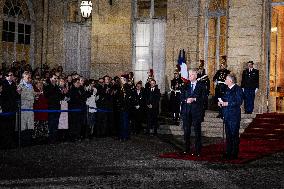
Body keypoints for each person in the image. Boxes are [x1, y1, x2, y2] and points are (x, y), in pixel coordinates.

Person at [181, 68, 206, 156]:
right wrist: (185, 100)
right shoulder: (185, 85)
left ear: (195, 75)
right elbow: (181, 97)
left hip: (196, 111)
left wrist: (195, 99)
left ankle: (198, 150)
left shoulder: (202, 85)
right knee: (186, 131)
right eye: (189, 75)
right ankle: (186, 149)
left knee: (197, 131)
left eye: (191, 75)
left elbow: (204, 98)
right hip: (187, 111)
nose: (189, 76)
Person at [218, 73, 243, 160]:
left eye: (226, 79)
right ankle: (228, 152)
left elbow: (238, 102)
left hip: (234, 116)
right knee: (228, 135)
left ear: (231, 81)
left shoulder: (238, 89)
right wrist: (221, 103)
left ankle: (234, 153)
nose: (225, 80)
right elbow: (224, 100)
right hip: (227, 115)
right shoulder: (226, 89)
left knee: (234, 135)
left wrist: (227, 103)